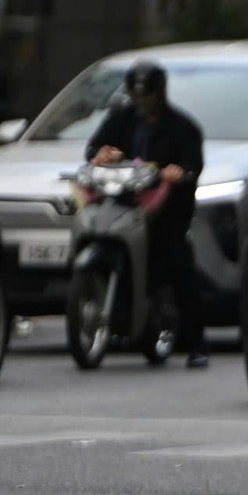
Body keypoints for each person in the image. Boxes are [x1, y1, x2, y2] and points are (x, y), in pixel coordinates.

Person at [85, 60, 210, 369]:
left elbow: (192, 166)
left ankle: (196, 343)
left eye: (148, 96)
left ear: (160, 94)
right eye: (137, 96)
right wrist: (101, 154)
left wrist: (179, 173)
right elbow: (95, 147)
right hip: (122, 204)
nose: (142, 103)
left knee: (179, 262)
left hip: (164, 212)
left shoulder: (183, 127)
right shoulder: (120, 118)